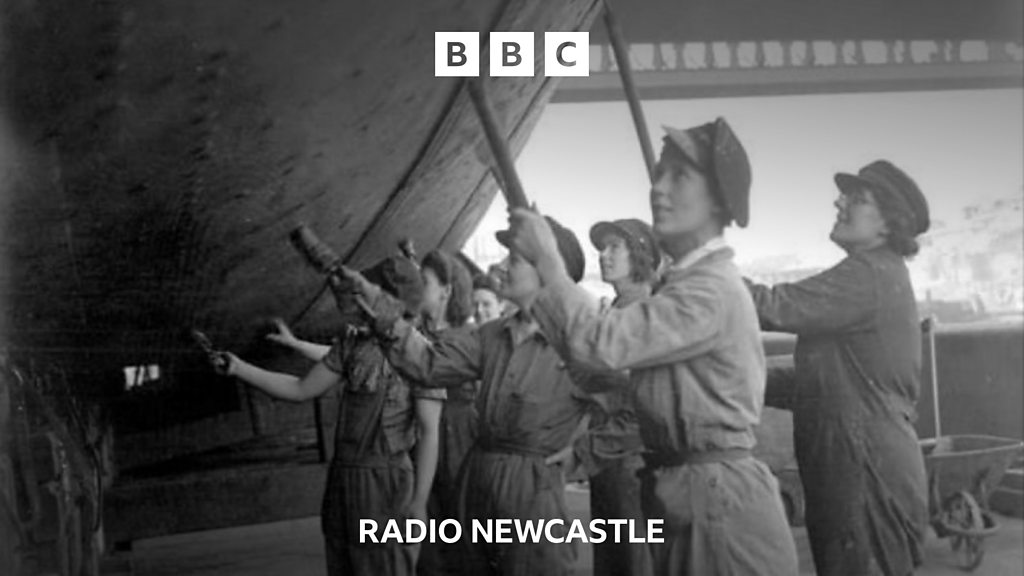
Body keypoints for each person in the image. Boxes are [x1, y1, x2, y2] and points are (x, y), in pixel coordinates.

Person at [504, 118, 800, 575]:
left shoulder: (708, 290)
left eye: (679, 176)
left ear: (718, 201)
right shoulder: (688, 285)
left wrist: (547, 261)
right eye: (659, 174)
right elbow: (603, 372)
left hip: (715, 502)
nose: (658, 188)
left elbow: (599, 344)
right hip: (696, 492)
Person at [339, 217, 592, 576]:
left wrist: (586, 452)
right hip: (476, 477)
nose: (500, 266)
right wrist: (377, 305)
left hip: (533, 488)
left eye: (514, 259)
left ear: (546, 270)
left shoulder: (579, 342)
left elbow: (630, 405)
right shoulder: (491, 335)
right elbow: (428, 365)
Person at [746, 160, 930, 576]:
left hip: (865, 472)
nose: (839, 203)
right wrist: (739, 377)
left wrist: (706, 274)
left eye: (856, 199)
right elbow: (821, 384)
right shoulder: (876, 273)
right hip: (852, 464)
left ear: (888, 223)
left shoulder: (869, 273)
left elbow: (772, 305)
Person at [207, 255, 444, 576]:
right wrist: (239, 368)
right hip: (343, 479)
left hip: (387, 484)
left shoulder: (422, 356)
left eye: (368, 295)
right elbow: (301, 388)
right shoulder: (352, 344)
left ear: (393, 303)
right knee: (343, 561)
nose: (358, 302)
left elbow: (430, 433)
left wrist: (418, 503)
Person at [573, 218, 659, 576]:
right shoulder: (614, 312)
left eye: (614, 247)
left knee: (632, 563)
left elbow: (645, 406)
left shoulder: (648, 314)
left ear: (639, 253)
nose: (603, 255)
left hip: (631, 460)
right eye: (601, 248)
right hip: (607, 460)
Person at [415, 249, 476, 576]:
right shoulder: (420, 336)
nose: (417, 288)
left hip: (458, 448)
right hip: (427, 446)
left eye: (424, 282)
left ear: (446, 291)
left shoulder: (466, 340)